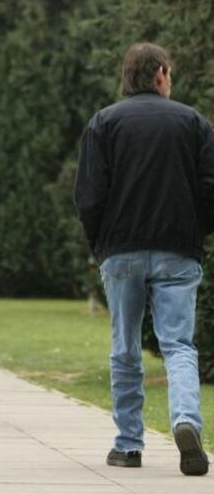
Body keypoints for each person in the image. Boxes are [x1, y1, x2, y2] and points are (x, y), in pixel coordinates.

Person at [74, 43, 213, 476]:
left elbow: (89, 195)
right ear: (159, 74)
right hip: (177, 249)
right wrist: (197, 232)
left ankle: (128, 445)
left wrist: (100, 243)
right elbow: (210, 186)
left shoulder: (105, 123)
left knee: (124, 349)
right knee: (178, 344)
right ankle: (186, 421)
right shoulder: (194, 123)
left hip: (122, 250)